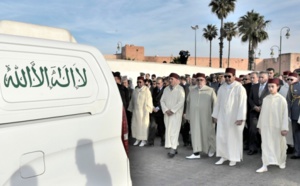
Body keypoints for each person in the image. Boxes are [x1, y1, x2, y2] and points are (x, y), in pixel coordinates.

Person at [212, 68, 247, 166]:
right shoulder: (222, 88)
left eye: (229, 76)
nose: (227, 78)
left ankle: (233, 157)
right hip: (222, 116)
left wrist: (240, 118)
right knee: (222, 136)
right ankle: (223, 156)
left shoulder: (239, 88)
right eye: (225, 76)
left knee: (233, 137)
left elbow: (242, 104)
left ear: (234, 77)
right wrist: (215, 115)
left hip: (234, 117)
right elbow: (217, 103)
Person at [256, 78, 288, 173]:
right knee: (265, 145)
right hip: (266, 126)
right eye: (269, 86)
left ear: (277, 87)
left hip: (278, 127)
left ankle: (281, 161)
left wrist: (284, 128)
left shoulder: (282, 100)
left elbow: (285, 115)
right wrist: (260, 126)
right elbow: (262, 114)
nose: (270, 88)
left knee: (279, 145)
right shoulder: (266, 99)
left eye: (272, 86)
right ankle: (265, 164)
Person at [185, 73, 217, 159]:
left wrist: (215, 116)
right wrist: (188, 116)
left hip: (207, 117)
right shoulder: (192, 91)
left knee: (208, 133)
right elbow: (188, 104)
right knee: (195, 134)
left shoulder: (210, 91)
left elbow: (215, 104)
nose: (199, 81)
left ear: (205, 81)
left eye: (201, 80)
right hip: (194, 117)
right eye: (198, 80)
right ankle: (196, 152)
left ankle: (211, 149)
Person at [160, 73, 185, 158]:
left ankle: (173, 149)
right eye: (169, 79)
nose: (170, 80)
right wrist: (166, 110)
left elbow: (181, 102)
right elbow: (162, 101)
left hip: (175, 115)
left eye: (172, 79)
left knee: (174, 131)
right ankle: (175, 146)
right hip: (167, 114)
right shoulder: (166, 89)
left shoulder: (180, 89)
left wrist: (173, 110)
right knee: (169, 131)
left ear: (177, 80)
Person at [247, 71, 269, 155]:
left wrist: (262, 107)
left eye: (262, 77)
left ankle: (264, 149)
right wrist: (254, 107)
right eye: (259, 77)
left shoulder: (269, 86)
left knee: (264, 131)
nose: (260, 79)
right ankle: (253, 148)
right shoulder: (254, 86)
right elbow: (250, 99)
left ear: (267, 78)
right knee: (253, 130)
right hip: (254, 112)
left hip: (265, 112)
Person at [128, 76, 153, 147]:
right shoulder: (135, 90)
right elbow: (132, 100)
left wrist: (148, 109)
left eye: (140, 82)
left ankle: (143, 140)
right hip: (136, 111)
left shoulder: (146, 90)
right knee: (136, 125)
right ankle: (138, 139)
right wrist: (131, 108)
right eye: (138, 82)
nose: (139, 83)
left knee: (143, 126)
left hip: (143, 111)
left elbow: (149, 100)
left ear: (144, 83)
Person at [147, 77, 165, 146]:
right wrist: (153, 107)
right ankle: (150, 142)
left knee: (161, 128)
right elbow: (151, 99)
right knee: (152, 126)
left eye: (159, 83)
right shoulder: (154, 90)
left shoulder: (165, 90)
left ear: (162, 83)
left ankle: (163, 141)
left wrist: (158, 107)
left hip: (161, 111)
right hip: (154, 111)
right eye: (156, 83)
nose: (157, 85)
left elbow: (164, 100)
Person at [286, 72, 300, 159]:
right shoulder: (292, 86)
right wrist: (288, 113)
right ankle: (297, 152)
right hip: (296, 112)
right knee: (296, 133)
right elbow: (288, 100)